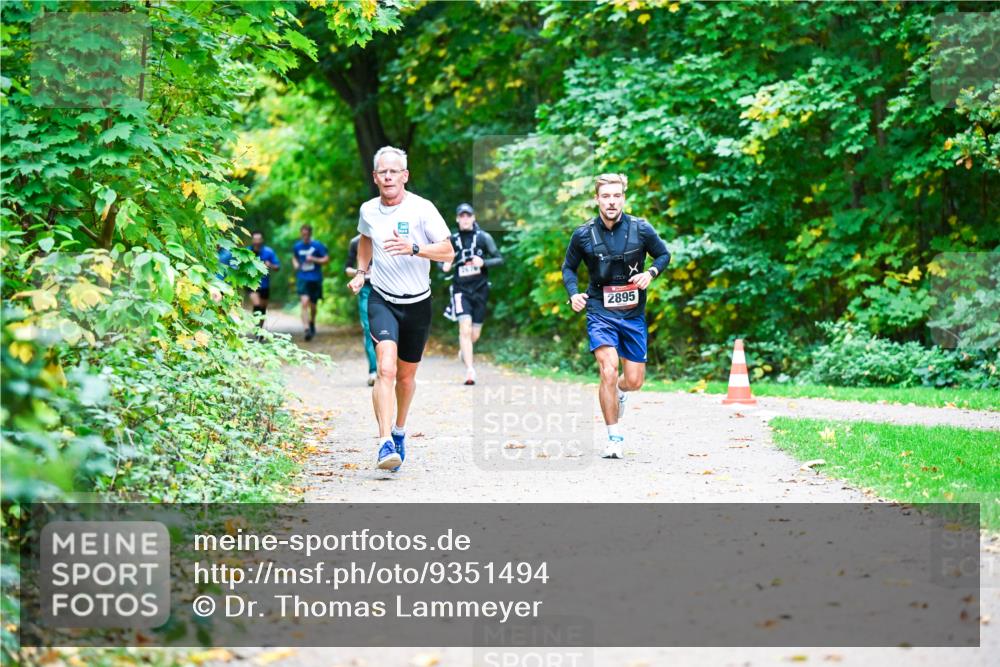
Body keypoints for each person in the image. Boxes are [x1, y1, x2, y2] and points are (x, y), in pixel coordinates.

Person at [347, 146, 454, 471]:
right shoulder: (368, 210)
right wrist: (362, 272)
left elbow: (448, 251)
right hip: (382, 298)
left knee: (406, 378)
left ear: (405, 176)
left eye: (394, 171)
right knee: (386, 369)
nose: (389, 176)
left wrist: (415, 248)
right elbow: (365, 239)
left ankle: (399, 430)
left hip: (418, 303)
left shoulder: (422, 208)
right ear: (375, 177)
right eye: (383, 171)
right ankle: (384, 443)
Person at [561, 173, 671, 460]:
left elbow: (663, 255)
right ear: (597, 199)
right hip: (600, 309)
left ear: (623, 198)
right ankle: (614, 438)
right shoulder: (583, 234)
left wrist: (650, 273)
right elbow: (568, 268)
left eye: (616, 196)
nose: (611, 201)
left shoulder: (641, 228)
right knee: (608, 369)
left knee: (634, 381)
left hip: (633, 313)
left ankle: (620, 392)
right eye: (606, 196)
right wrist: (573, 294)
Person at [441, 203, 503, 385]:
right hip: (460, 290)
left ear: (474, 218)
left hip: (480, 290)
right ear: (457, 219)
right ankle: (470, 370)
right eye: (462, 216)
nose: (465, 219)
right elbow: (441, 261)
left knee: (474, 334)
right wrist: (444, 264)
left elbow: (499, 259)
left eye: (468, 216)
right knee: (464, 329)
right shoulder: (452, 240)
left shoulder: (484, 237)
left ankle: (464, 350)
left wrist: (483, 262)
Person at [346, 233, 378, 386]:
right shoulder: (355, 242)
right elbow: (347, 269)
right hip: (365, 288)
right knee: (368, 329)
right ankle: (373, 371)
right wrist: (361, 272)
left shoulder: (384, 236)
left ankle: (390, 369)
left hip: (387, 288)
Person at [292, 225, 329, 341]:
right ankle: (306, 329)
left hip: (315, 278)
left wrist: (314, 259)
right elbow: (294, 257)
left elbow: (326, 259)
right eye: (303, 234)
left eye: (307, 234)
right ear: (301, 234)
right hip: (302, 278)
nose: (305, 236)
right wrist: (295, 264)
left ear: (310, 234)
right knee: (304, 303)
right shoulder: (297, 246)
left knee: (313, 306)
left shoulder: (317, 245)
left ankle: (312, 322)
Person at [248, 231, 280, 329]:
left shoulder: (269, 252)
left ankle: (260, 329)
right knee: (257, 305)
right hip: (251, 283)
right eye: (255, 239)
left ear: (262, 240)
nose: (257, 241)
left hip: (265, 284)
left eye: (259, 239)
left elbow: (277, 267)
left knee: (262, 308)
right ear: (252, 240)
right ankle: (257, 327)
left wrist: (270, 265)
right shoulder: (247, 252)